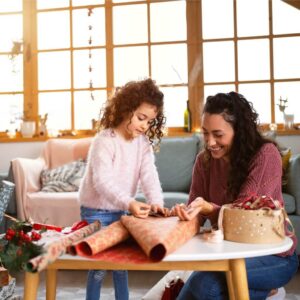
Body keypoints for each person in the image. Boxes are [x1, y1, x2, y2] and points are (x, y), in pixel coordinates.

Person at [174, 92, 299, 300]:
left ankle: (263, 288)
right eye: (205, 133)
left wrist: (207, 208)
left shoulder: (265, 155)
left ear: (239, 131)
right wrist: (185, 215)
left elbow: (243, 217)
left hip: (272, 255)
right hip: (228, 252)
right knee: (206, 286)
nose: (210, 142)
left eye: (218, 134)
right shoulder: (203, 161)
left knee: (205, 285)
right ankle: (262, 291)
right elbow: (196, 212)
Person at [79, 78, 167, 300]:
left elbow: (149, 175)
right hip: (96, 211)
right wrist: (130, 203)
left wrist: (157, 202)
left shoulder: (143, 144)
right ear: (126, 109)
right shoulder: (105, 141)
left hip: (120, 210)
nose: (145, 125)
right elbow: (103, 182)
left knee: (121, 265)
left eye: (149, 121)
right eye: (141, 118)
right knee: (99, 267)